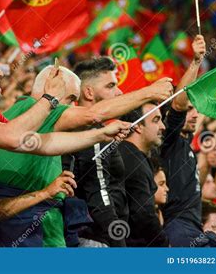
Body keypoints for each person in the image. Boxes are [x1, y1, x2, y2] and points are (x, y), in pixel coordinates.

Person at [0, 46, 130, 247]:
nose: (1, 72)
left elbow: (42, 144)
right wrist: (50, 98)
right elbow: (12, 137)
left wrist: (99, 134)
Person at [0, 63, 172, 247]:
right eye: (71, 98)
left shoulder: (6, 118)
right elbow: (94, 114)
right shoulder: (43, 111)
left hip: (5, 223)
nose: (73, 106)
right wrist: (150, 92)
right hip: (37, 229)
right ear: (50, 89)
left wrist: (101, 134)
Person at [63, 57, 173, 247]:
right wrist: (118, 242)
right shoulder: (92, 134)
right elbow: (101, 197)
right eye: (110, 86)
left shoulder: (87, 132)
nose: (119, 92)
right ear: (88, 92)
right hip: (96, 240)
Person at [160, 34, 206, 247]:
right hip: (177, 226)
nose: (195, 115)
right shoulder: (168, 141)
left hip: (194, 226)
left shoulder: (187, 144)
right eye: (190, 110)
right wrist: (196, 62)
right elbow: (177, 105)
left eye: (196, 110)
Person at [117, 104, 169, 247]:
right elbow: (143, 215)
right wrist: (164, 244)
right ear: (138, 126)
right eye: (156, 120)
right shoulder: (133, 161)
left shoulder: (125, 153)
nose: (163, 126)